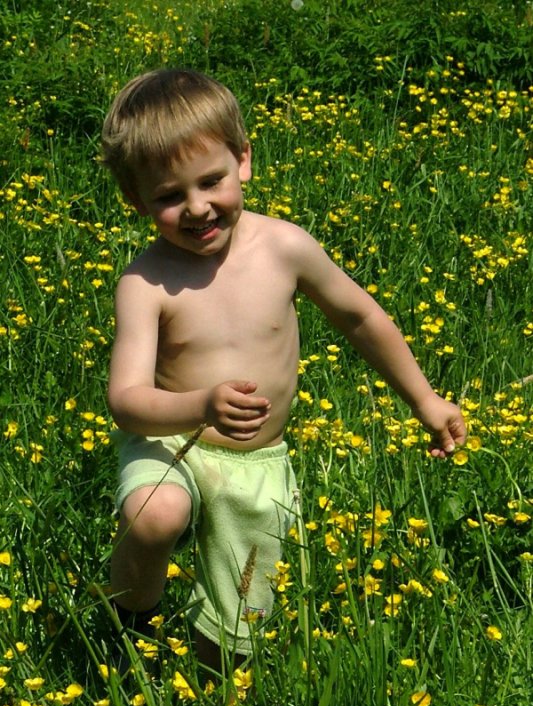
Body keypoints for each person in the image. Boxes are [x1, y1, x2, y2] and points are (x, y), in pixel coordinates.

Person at [101, 68, 467, 672]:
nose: (197, 207)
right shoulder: (145, 283)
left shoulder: (284, 248)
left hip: (256, 462)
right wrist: (200, 406)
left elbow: (360, 318)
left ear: (243, 160)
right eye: (168, 196)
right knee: (156, 514)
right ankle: (127, 621)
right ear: (136, 201)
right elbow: (126, 400)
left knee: (235, 631)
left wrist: (425, 400)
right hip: (172, 442)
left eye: (211, 181)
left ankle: (214, 695)